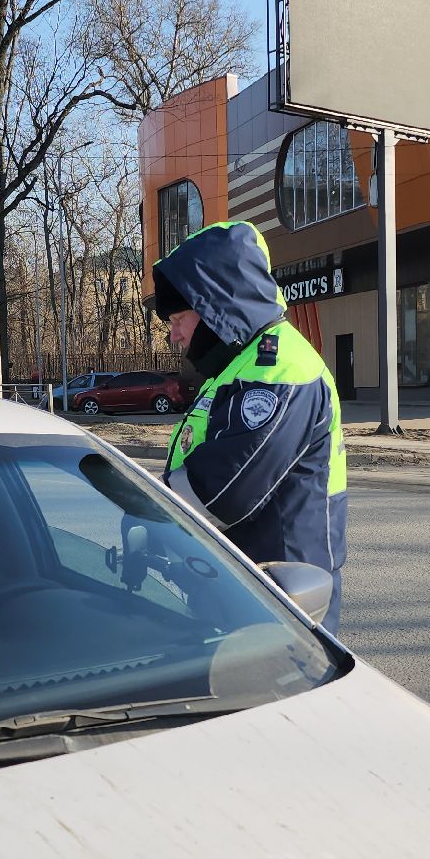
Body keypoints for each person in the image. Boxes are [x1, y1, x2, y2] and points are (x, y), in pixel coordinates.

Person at [150, 221, 348, 633]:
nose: (174, 335)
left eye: (178, 318)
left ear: (213, 304)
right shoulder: (239, 366)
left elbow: (221, 494)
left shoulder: (279, 369)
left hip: (281, 599)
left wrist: (144, 511)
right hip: (246, 586)